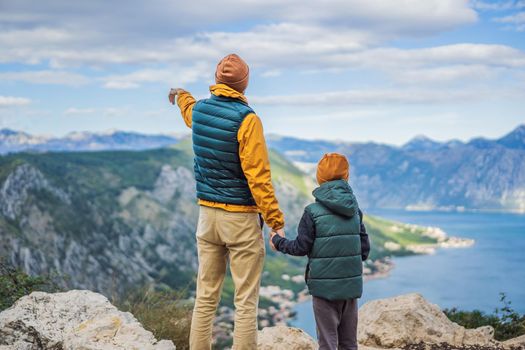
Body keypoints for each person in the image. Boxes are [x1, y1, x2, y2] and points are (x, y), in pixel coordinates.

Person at [169, 53, 285, 350]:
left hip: (207, 216)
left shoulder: (201, 112)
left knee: (206, 296)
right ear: (244, 84)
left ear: (217, 79)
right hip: (241, 219)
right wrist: (276, 223)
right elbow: (258, 177)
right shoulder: (248, 120)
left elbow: (188, 110)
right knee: (245, 300)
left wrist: (180, 94)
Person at [270, 153, 370, 350]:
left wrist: (278, 242)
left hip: (323, 291)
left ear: (319, 178)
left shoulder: (312, 212)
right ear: (346, 177)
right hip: (350, 290)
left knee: (327, 342)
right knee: (349, 343)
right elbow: (364, 251)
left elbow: (300, 247)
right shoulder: (355, 211)